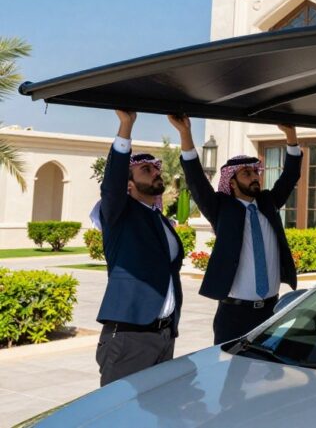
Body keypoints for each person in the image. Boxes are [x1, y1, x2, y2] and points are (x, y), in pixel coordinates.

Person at [170, 115, 302, 344]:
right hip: (234, 316)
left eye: (256, 173)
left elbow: (290, 176)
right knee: (230, 377)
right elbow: (196, 182)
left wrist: (291, 136)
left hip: (271, 312)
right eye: (247, 174)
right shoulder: (221, 208)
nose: (254, 178)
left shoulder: (268, 203)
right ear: (231, 181)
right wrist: (185, 133)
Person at [95, 110, 184, 386]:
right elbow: (111, 185)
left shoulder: (159, 220)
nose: (156, 172)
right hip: (129, 338)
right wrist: (126, 126)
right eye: (146, 169)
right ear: (129, 185)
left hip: (164, 336)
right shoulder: (118, 215)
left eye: (156, 168)